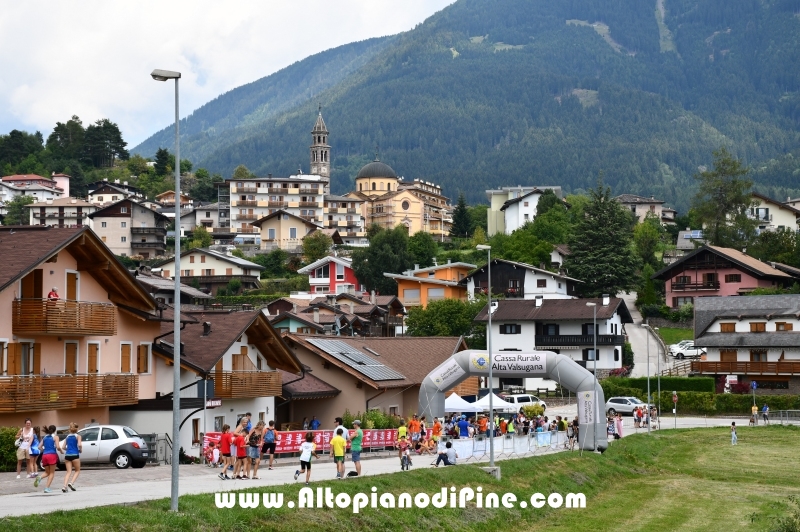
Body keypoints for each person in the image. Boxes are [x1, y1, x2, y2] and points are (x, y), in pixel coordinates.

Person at [34, 425, 59, 493]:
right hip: (52, 455)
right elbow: (58, 446)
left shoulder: (44, 437)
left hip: (44, 455)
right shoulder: (55, 437)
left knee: (47, 472)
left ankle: (40, 477)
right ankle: (47, 488)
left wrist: (44, 450)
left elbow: (39, 447)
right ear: (54, 430)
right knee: (52, 473)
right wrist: (61, 451)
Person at [60, 422, 82, 492]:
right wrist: (80, 450)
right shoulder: (78, 436)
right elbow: (79, 445)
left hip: (67, 455)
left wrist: (68, 449)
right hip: (75, 455)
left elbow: (63, 447)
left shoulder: (67, 437)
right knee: (77, 470)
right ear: (77, 429)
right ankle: (71, 483)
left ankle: (64, 486)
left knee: (68, 472)